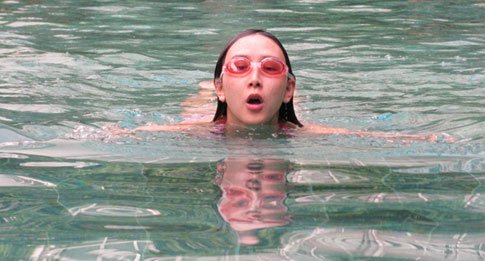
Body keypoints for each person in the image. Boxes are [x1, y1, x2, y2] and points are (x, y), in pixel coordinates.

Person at [117, 29, 453, 142]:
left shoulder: (301, 135)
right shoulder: (197, 132)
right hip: (213, 111)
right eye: (241, 66)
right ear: (223, 87)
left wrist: (424, 137)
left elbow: (364, 138)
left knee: (294, 116)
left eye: (270, 68)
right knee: (198, 108)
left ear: (288, 88)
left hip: (284, 114)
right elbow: (147, 131)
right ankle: (209, 89)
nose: (254, 76)